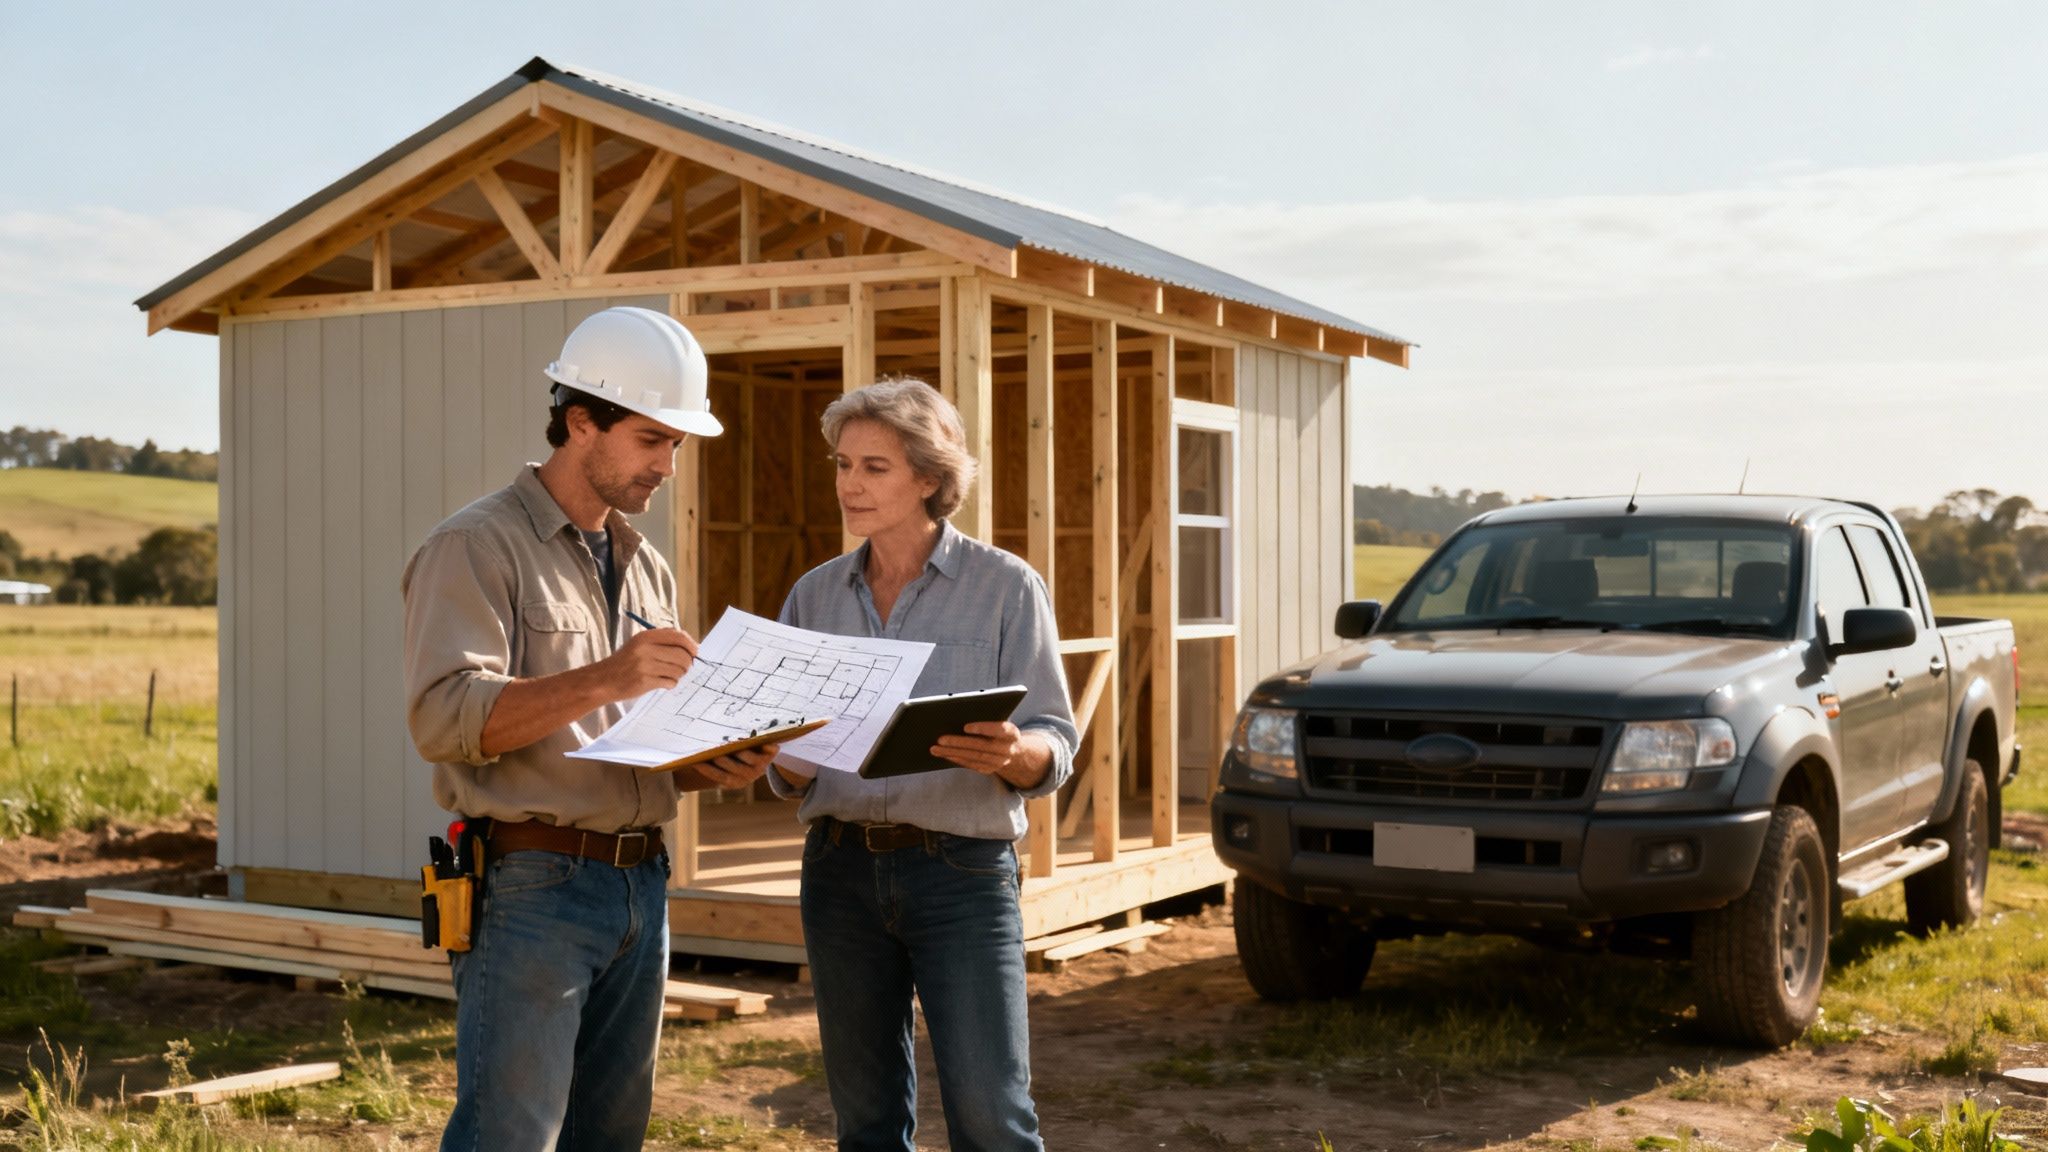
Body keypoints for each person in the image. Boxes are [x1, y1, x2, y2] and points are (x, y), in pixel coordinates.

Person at [403, 306, 776, 1152]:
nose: (668, 466)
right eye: (652, 440)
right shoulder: (475, 546)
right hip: (533, 888)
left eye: (677, 446)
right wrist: (608, 674)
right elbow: (442, 716)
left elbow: (629, 742)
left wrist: (710, 764)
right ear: (581, 422)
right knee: (511, 1135)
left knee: (610, 1135)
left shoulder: (644, 564)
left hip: (643, 885)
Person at [769, 377, 1078, 1152]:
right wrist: (788, 761)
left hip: (962, 876)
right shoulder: (813, 597)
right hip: (837, 873)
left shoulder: (1007, 588)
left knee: (991, 1118)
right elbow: (782, 759)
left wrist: (1017, 753)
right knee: (865, 1121)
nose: (849, 484)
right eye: (843, 464)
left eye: (875, 467)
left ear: (930, 479)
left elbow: (1054, 737)